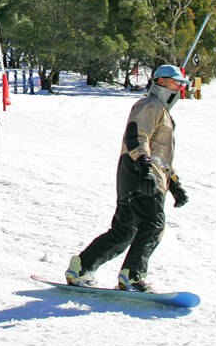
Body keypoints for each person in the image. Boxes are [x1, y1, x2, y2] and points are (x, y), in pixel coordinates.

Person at [65, 64, 191, 292]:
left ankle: (82, 267)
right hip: (140, 172)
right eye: (176, 82)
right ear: (160, 81)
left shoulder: (161, 110)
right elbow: (137, 136)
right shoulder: (150, 105)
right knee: (153, 225)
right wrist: (144, 168)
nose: (180, 87)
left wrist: (175, 185)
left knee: (125, 230)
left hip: (138, 172)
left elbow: (162, 156)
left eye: (182, 83)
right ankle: (132, 275)